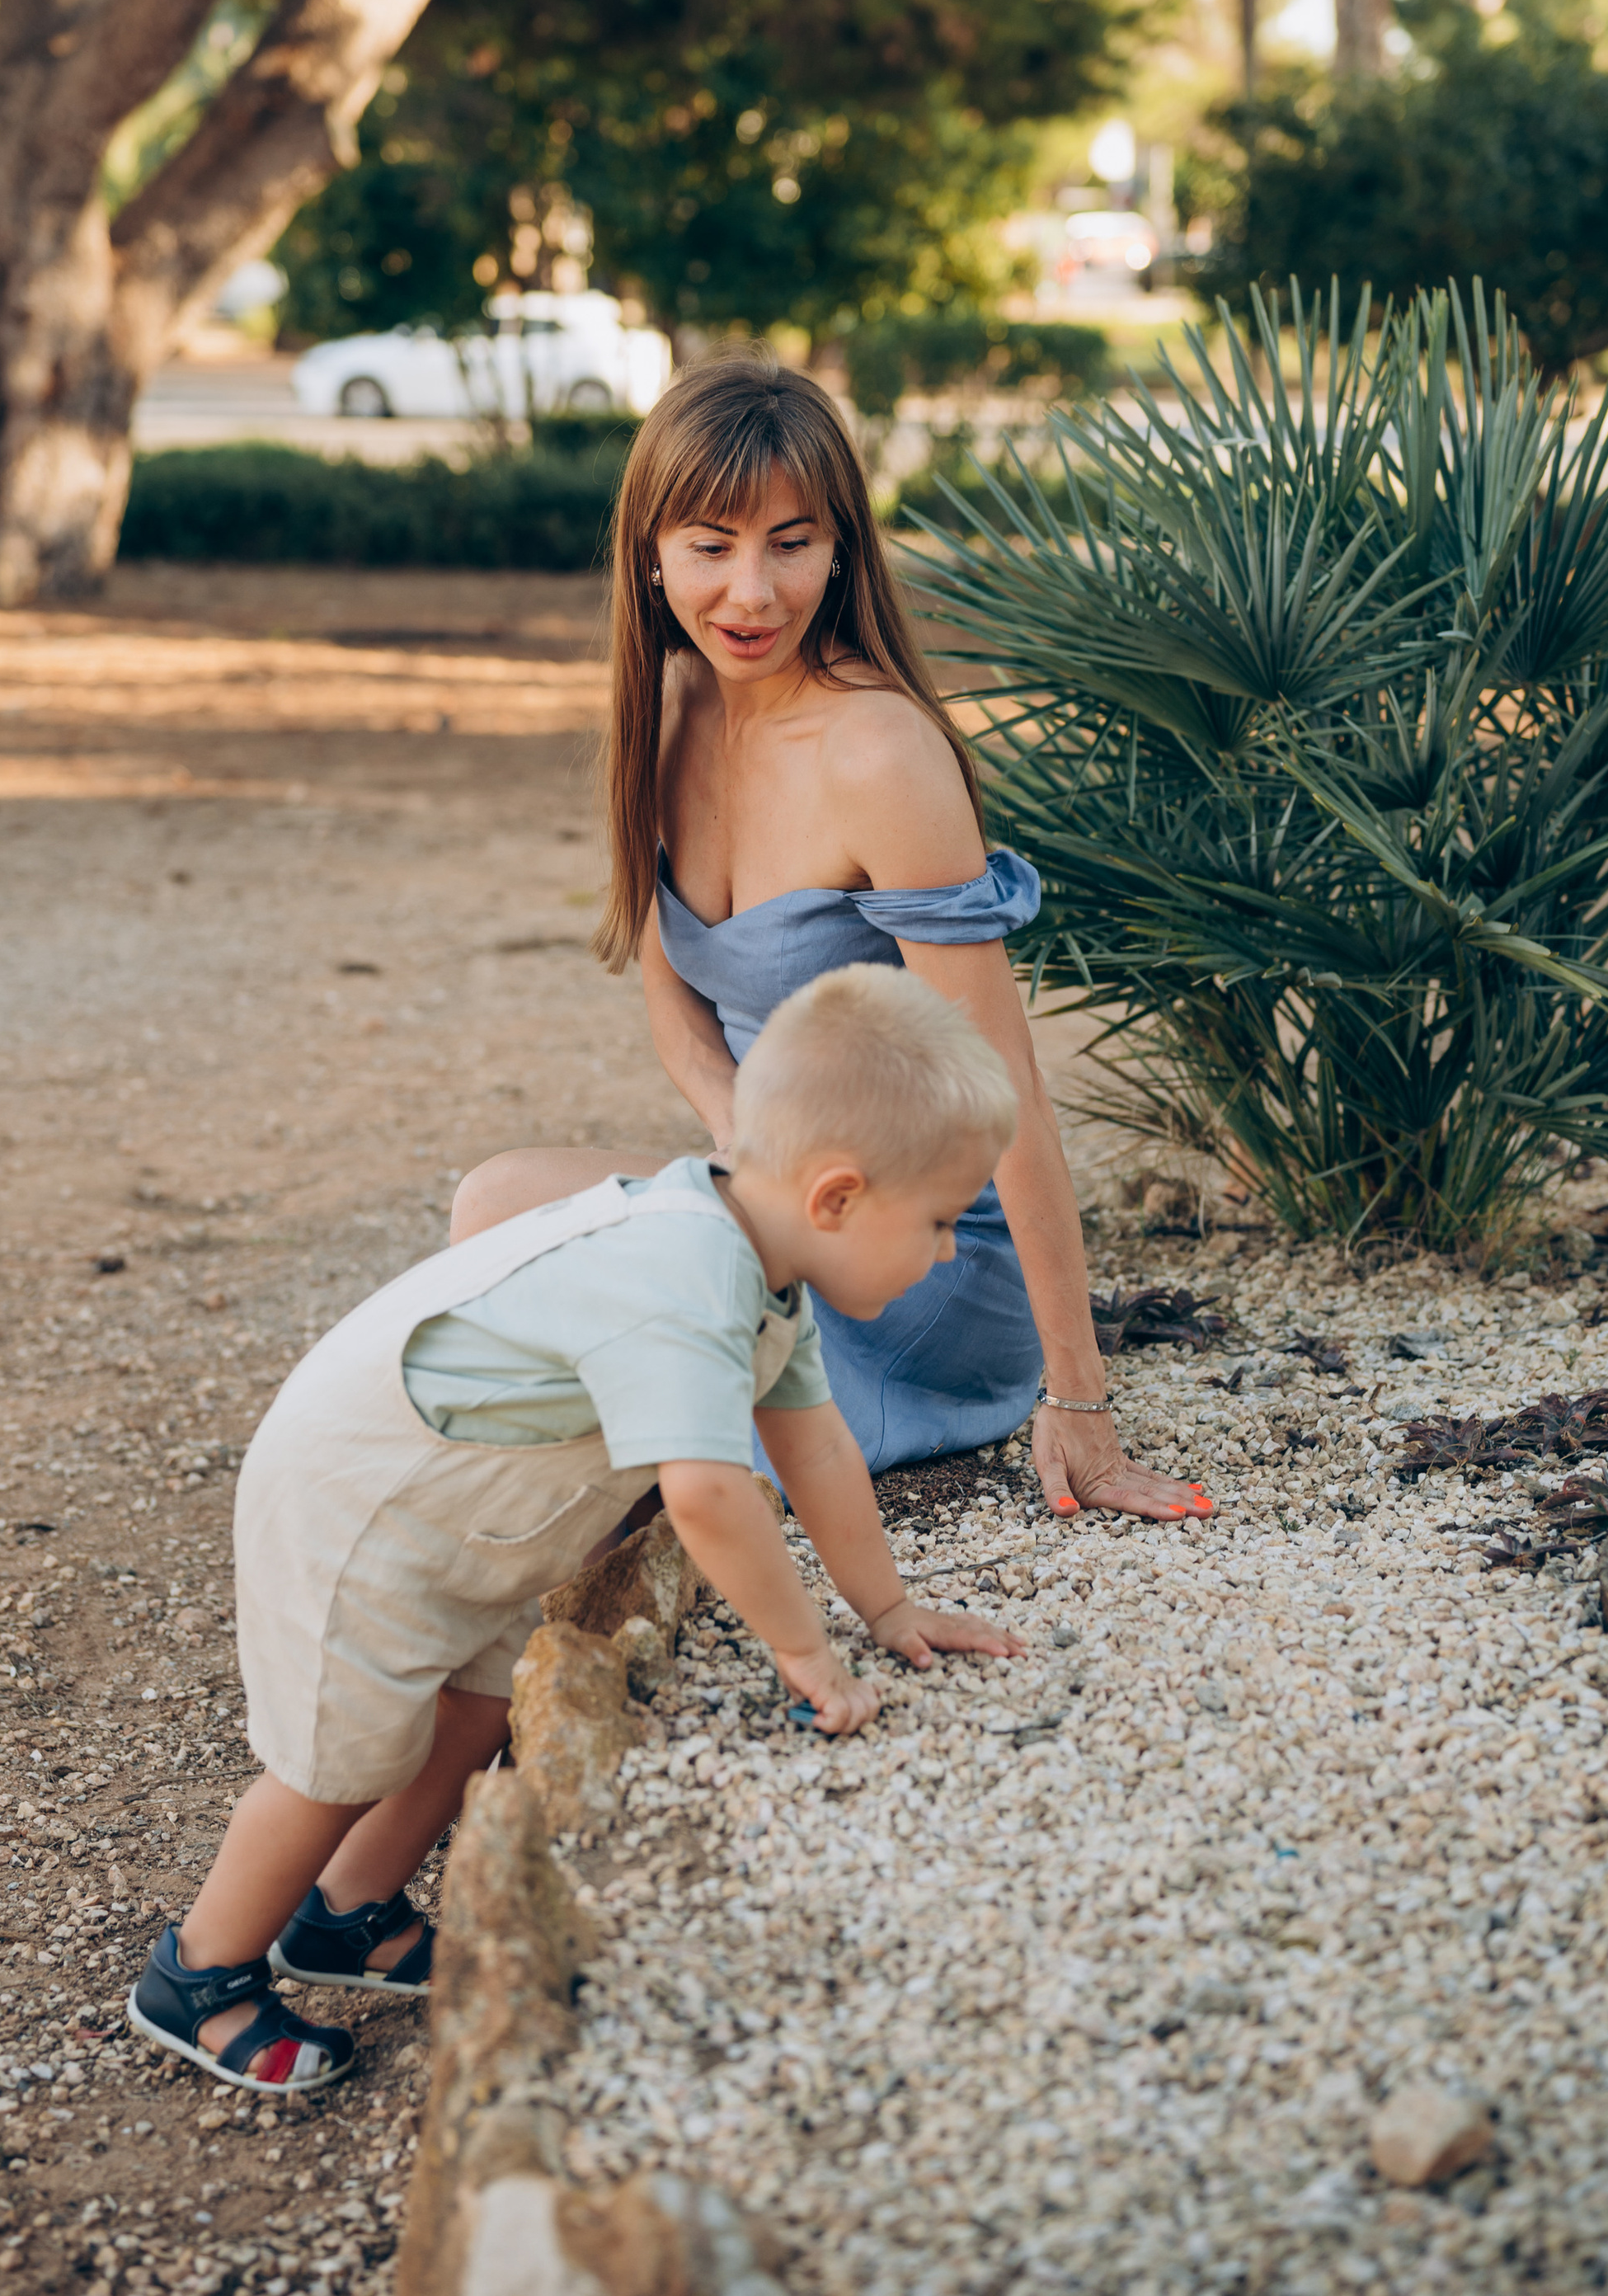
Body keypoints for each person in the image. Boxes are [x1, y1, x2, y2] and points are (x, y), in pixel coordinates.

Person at [128, 964, 1026, 2096]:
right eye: (942, 1221)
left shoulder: (768, 1274)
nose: (949, 1253)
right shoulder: (686, 1273)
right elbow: (708, 1494)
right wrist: (806, 1654)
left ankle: (346, 1915)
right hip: (357, 1507)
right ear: (837, 1198)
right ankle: (199, 1973)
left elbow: (816, 1449)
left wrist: (885, 1608)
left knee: (477, 1707)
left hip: (464, 1524)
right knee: (338, 1756)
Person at [456, 349, 1211, 1526]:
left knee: (584, 1379)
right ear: (651, 554)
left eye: (790, 542)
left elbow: (1002, 1085)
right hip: (776, 1203)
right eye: (711, 545)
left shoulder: (878, 752)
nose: (750, 594)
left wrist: (1083, 1403)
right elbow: (676, 1007)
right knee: (493, 1206)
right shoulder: (667, 708)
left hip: (918, 1260)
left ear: (842, 547)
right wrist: (739, 1158)